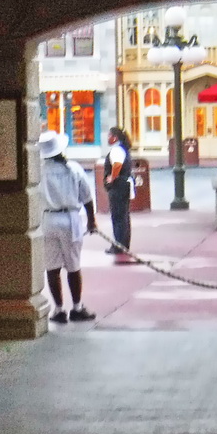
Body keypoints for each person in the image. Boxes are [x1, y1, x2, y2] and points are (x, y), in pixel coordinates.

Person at [38, 131, 97, 324]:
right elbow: (87, 197)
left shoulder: (39, 171)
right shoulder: (74, 169)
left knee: (52, 267)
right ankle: (77, 307)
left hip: (48, 220)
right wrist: (91, 220)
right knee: (73, 266)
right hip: (70, 219)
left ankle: (59, 309)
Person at [103, 126, 133, 257]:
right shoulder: (123, 148)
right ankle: (123, 243)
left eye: (109, 135)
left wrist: (112, 177)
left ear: (114, 137)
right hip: (125, 184)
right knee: (124, 216)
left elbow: (117, 164)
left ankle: (119, 245)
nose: (107, 138)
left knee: (118, 217)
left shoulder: (116, 150)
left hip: (119, 186)